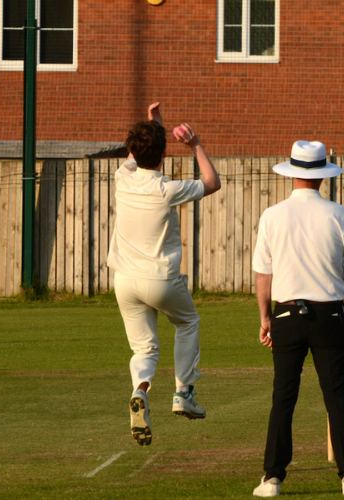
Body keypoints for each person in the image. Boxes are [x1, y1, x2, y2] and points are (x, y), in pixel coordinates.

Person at [252, 141, 344, 497]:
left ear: (292, 173)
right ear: (323, 175)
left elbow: (264, 276)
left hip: (286, 313)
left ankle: (272, 478)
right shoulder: (340, 214)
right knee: (337, 397)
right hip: (329, 313)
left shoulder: (272, 215)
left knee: (283, 397)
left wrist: (265, 318)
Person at [107, 102, 221, 446]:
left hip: (124, 280)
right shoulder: (166, 189)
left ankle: (140, 391)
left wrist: (153, 124)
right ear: (163, 153)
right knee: (187, 324)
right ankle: (183, 392)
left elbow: (137, 151)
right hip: (161, 279)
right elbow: (212, 182)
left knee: (144, 348)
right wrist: (196, 144)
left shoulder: (122, 177)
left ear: (133, 150)